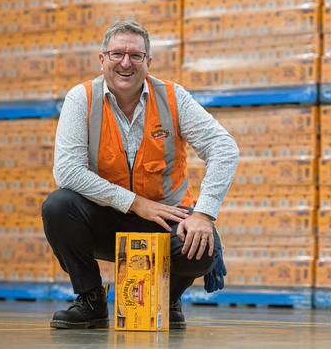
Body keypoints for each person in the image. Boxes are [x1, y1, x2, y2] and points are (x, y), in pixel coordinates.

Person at [42, 20, 239, 330]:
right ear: (102, 59)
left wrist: (203, 214)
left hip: (166, 218)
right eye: (117, 53)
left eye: (135, 56)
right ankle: (91, 301)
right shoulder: (82, 99)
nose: (125, 63)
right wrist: (134, 202)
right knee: (58, 206)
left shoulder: (173, 97)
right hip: (104, 219)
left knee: (205, 245)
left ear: (149, 62)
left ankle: (166, 298)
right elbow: (66, 170)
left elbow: (224, 148)